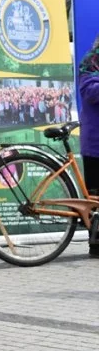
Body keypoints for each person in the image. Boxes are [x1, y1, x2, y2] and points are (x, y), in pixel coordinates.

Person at [78, 36, 99, 257]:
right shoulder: (91, 61)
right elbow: (90, 92)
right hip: (96, 142)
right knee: (95, 197)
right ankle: (96, 243)